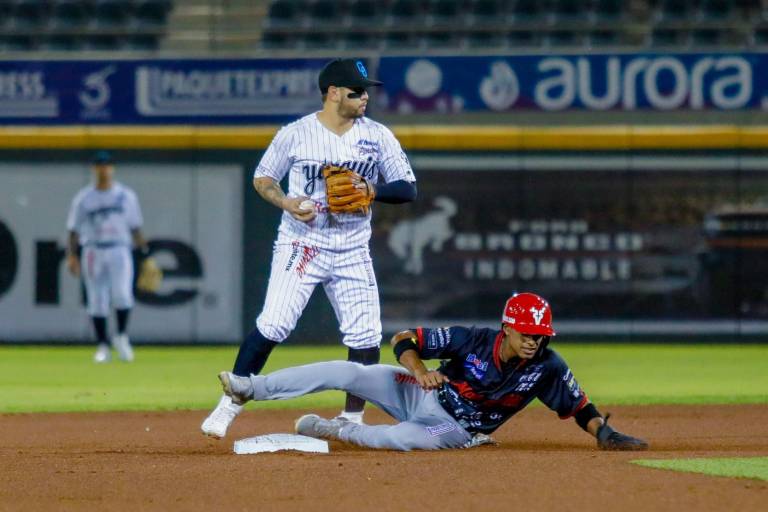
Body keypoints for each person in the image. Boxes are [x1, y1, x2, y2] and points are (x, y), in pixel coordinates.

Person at [201, 58, 417, 438]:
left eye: (366, 90)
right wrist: (285, 202)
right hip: (303, 244)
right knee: (273, 324)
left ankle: (351, 421)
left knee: (365, 337)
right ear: (333, 93)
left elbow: (407, 188)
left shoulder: (378, 135)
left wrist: (373, 190)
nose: (365, 97)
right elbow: (263, 178)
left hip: (352, 248)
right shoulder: (296, 134)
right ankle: (229, 405)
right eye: (356, 91)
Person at [216, 292, 649, 452]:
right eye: (528, 332)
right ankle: (249, 386)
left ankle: (334, 431)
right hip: (419, 392)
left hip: (454, 428)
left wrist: (602, 432)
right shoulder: (474, 338)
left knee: (397, 440)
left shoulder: (548, 367)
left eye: (541, 334)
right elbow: (404, 338)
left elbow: (578, 405)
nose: (535, 340)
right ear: (508, 328)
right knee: (345, 370)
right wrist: (420, 369)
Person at [66, 151, 149, 363]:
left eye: (107, 165)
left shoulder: (126, 196)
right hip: (93, 249)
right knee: (97, 299)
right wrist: (72, 256)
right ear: (94, 168)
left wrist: (146, 255)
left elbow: (135, 228)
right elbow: (73, 230)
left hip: (120, 248)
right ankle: (102, 345)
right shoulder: (84, 198)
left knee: (122, 294)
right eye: (99, 165)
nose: (104, 169)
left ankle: (121, 336)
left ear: (112, 168)